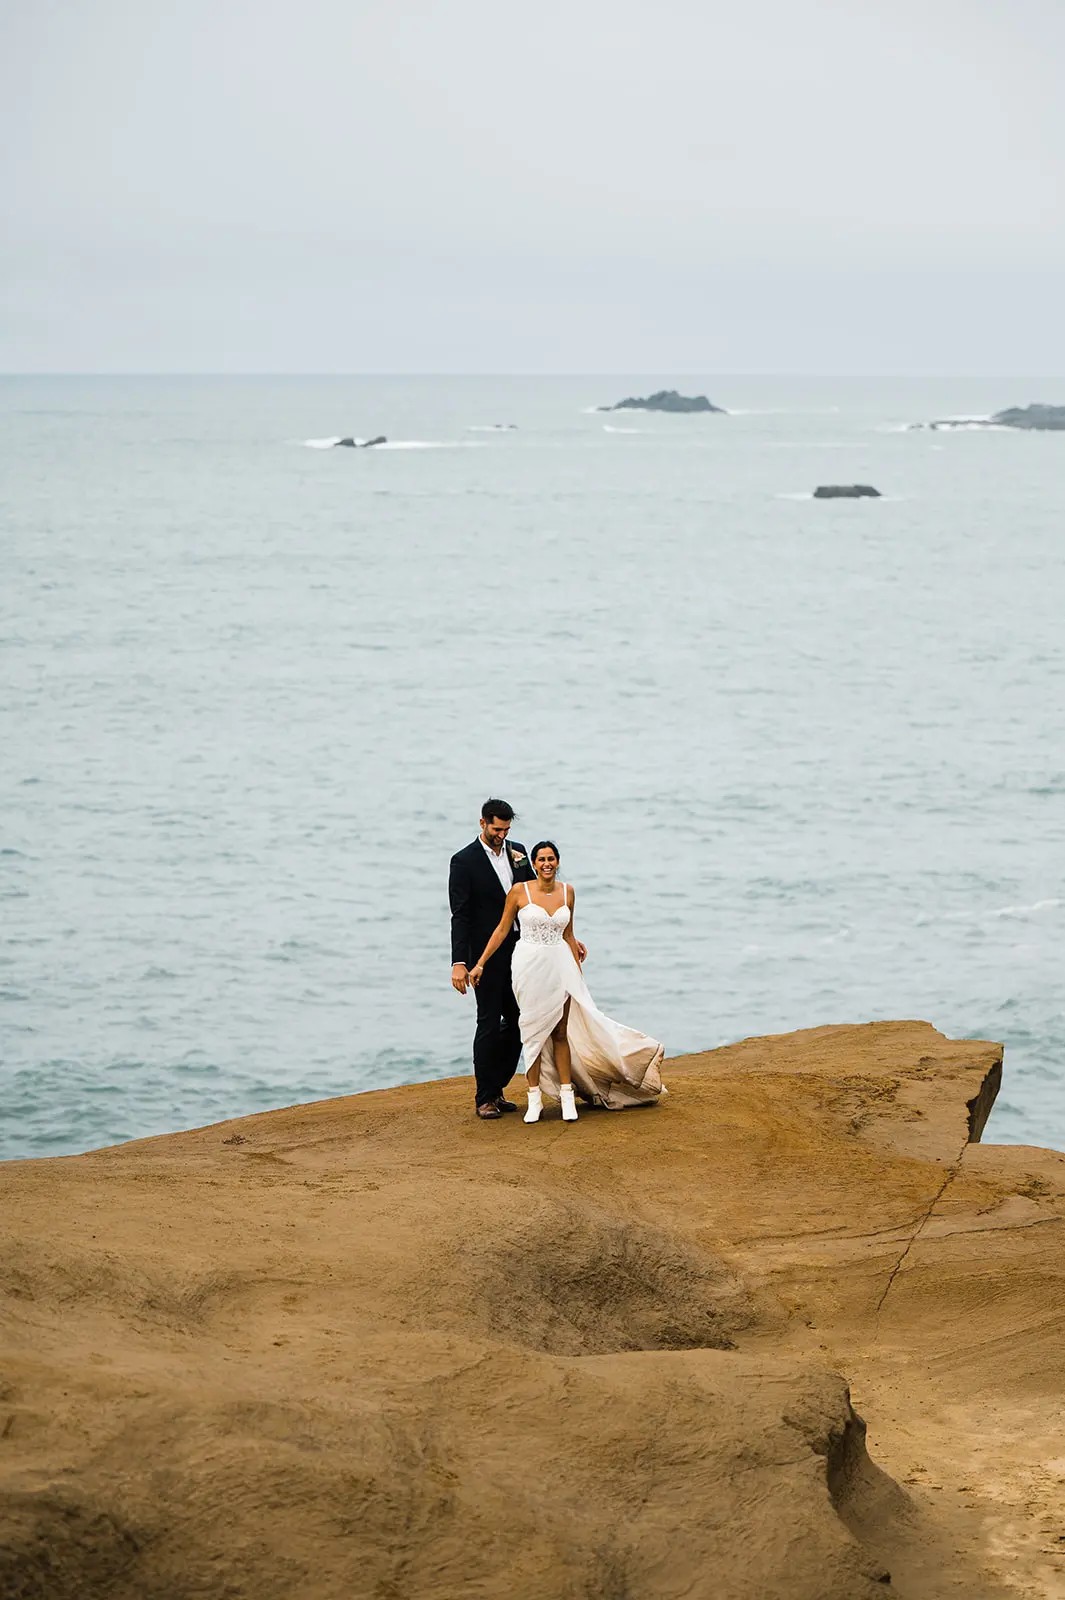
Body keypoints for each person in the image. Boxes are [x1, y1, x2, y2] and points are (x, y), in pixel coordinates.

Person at [470, 840, 665, 1123]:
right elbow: (501, 930)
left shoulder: (568, 893)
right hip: (528, 966)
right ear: (534, 864)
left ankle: (566, 1097)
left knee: (560, 1032)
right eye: (541, 860)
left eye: (551, 859)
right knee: (532, 1032)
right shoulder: (519, 892)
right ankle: (534, 1098)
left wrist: (578, 975)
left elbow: (569, 935)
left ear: (557, 862)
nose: (547, 864)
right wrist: (479, 964)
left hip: (561, 967)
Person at [449, 800, 537, 1120]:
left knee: (518, 1020)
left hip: (522, 949)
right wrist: (460, 962)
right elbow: (460, 915)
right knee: (488, 1022)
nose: (502, 835)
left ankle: (497, 1087)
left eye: (506, 829)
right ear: (483, 823)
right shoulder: (463, 861)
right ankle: (484, 1097)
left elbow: (533, 896)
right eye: (497, 828)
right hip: (484, 955)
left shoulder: (518, 851)